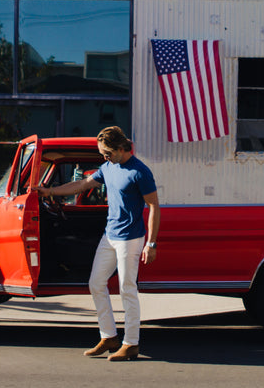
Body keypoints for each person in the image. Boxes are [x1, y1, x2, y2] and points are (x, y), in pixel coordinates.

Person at [34, 126, 160, 361]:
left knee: (127, 289)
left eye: (108, 153)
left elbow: (154, 206)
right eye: (102, 153)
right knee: (96, 283)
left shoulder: (140, 172)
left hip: (131, 238)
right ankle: (109, 336)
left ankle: (131, 343)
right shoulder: (108, 167)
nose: (104, 157)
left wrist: (150, 244)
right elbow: (81, 185)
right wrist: (49, 191)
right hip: (109, 235)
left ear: (122, 148)